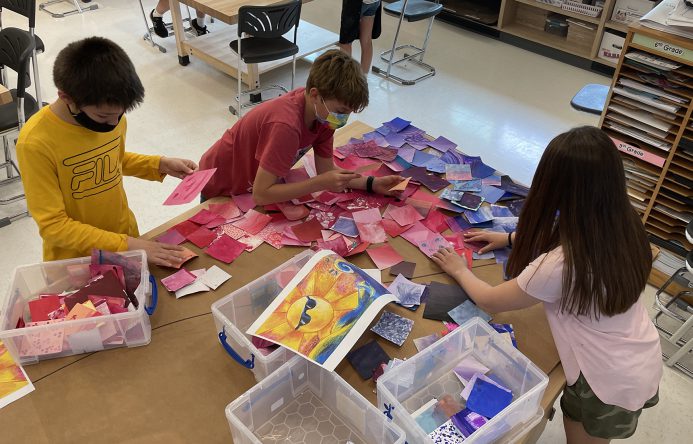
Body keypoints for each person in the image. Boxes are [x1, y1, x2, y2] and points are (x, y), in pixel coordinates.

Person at [431, 127, 662, 443]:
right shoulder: (623, 221)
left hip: (603, 380)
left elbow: (490, 299)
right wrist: (510, 238)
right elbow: (566, 237)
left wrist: (459, 269)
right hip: (635, 352)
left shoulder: (560, 266)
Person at [16, 37, 198, 267]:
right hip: (76, 260)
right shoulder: (35, 143)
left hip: (124, 235)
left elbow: (110, 159)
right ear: (67, 98)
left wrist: (158, 164)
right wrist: (129, 245)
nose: (113, 123)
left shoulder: (111, 116)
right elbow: (54, 225)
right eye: (103, 117)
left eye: (119, 114)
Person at [199, 49, 402, 205]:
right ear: (315, 94)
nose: (343, 118)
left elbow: (327, 170)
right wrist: (319, 183)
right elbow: (261, 195)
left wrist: (371, 184)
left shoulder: (323, 115)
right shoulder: (286, 125)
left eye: (348, 112)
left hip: (254, 183)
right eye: (341, 110)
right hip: (220, 183)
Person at [339, 0, 382, 74]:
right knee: (367, 40)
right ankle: (363, 79)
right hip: (374, 2)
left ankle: (346, 80)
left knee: (345, 43)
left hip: (357, 3)